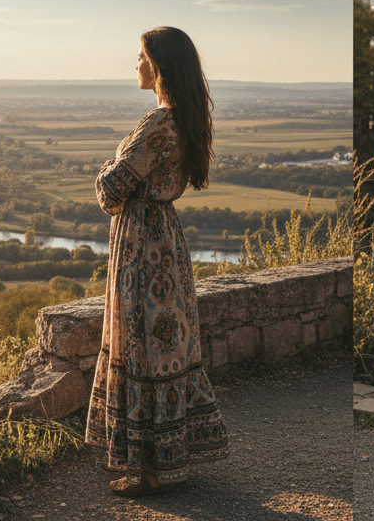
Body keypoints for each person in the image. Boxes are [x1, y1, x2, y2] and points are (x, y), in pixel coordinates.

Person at [85, 26, 229, 496]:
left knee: (142, 346)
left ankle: (149, 470)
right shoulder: (184, 119)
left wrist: (103, 170)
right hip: (166, 239)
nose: (136, 64)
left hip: (141, 244)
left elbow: (111, 191)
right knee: (166, 346)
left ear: (159, 66)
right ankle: (168, 462)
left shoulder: (157, 124)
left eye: (142, 57)